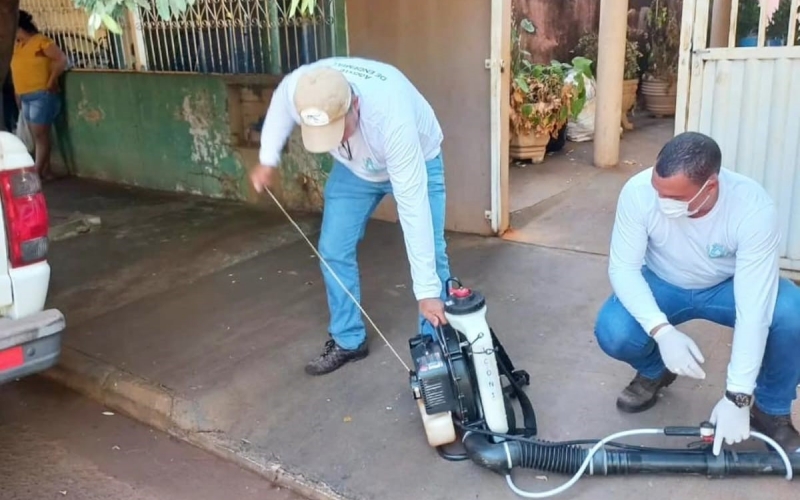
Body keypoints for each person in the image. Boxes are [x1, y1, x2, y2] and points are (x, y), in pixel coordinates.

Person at [594, 132, 800, 455]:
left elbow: (753, 308)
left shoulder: (752, 209)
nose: (662, 203)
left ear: (711, 187)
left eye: (674, 198)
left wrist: (738, 396)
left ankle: (770, 410)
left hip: (726, 288)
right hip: (662, 282)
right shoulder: (637, 193)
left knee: (790, 311)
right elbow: (623, 270)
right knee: (613, 330)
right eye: (658, 190)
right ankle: (654, 370)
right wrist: (661, 332)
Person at [251, 57, 451, 376]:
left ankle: (434, 352)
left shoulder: (392, 118)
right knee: (333, 249)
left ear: (354, 104)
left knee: (433, 256)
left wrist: (426, 292)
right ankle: (348, 340)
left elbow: (413, 209)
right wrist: (267, 159)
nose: (338, 139)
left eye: (338, 129)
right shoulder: (301, 89)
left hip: (418, 159)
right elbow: (278, 105)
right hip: (354, 170)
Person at [10, 10, 67, 180]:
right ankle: (45, 171)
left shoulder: (41, 42)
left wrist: (51, 81)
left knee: (40, 137)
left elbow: (61, 59)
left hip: (41, 95)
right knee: (38, 137)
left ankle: (33, 175)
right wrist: (17, 94)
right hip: (26, 96)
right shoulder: (18, 46)